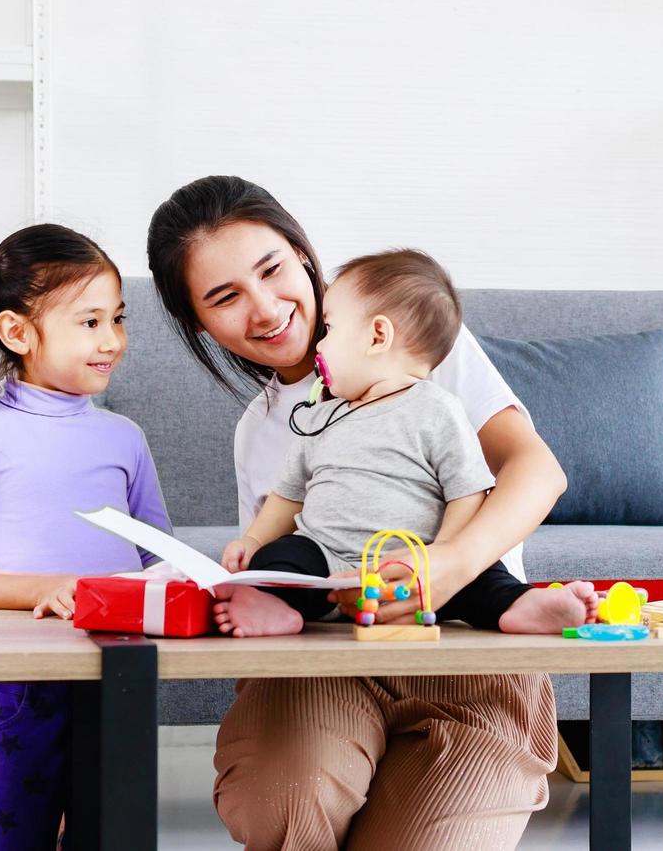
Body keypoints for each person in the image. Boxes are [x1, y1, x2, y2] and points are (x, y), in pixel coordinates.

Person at [148, 176, 567, 850]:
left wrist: (450, 566)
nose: (265, 309)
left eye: (272, 270)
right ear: (200, 321)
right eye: (225, 297)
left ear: (305, 257)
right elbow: (279, 553)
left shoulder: (413, 344)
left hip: (465, 649)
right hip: (328, 659)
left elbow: (538, 470)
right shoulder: (260, 431)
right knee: (279, 804)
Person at [0, 223, 173, 850]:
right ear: (17, 332)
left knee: (114, 834)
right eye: (90, 322)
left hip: (120, 673)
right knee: (13, 836)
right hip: (25, 680)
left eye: (118, 319)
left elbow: (161, 555)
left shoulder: (123, 437)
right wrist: (47, 588)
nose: (114, 341)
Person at [215, 247, 597, 637]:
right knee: (281, 557)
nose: (319, 347)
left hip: (415, 564)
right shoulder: (319, 416)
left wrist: (442, 558)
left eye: (329, 330)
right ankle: (275, 606)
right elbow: (288, 494)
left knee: (485, 577)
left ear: (378, 335)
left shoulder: (438, 408)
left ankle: (521, 604)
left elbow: (467, 493)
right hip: (329, 558)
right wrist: (255, 538)